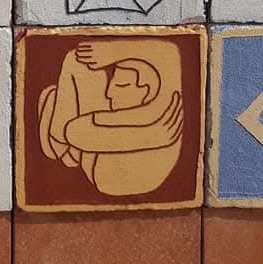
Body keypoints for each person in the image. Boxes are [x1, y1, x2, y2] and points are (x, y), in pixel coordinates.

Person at [38, 39, 183, 196]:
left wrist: (150, 136)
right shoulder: (163, 106)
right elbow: (169, 51)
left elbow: (72, 132)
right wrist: (114, 51)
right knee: (79, 67)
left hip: (106, 176)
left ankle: (58, 146)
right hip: (100, 146)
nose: (109, 93)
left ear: (147, 90)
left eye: (121, 85)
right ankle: (64, 147)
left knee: (75, 63)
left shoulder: (165, 116)